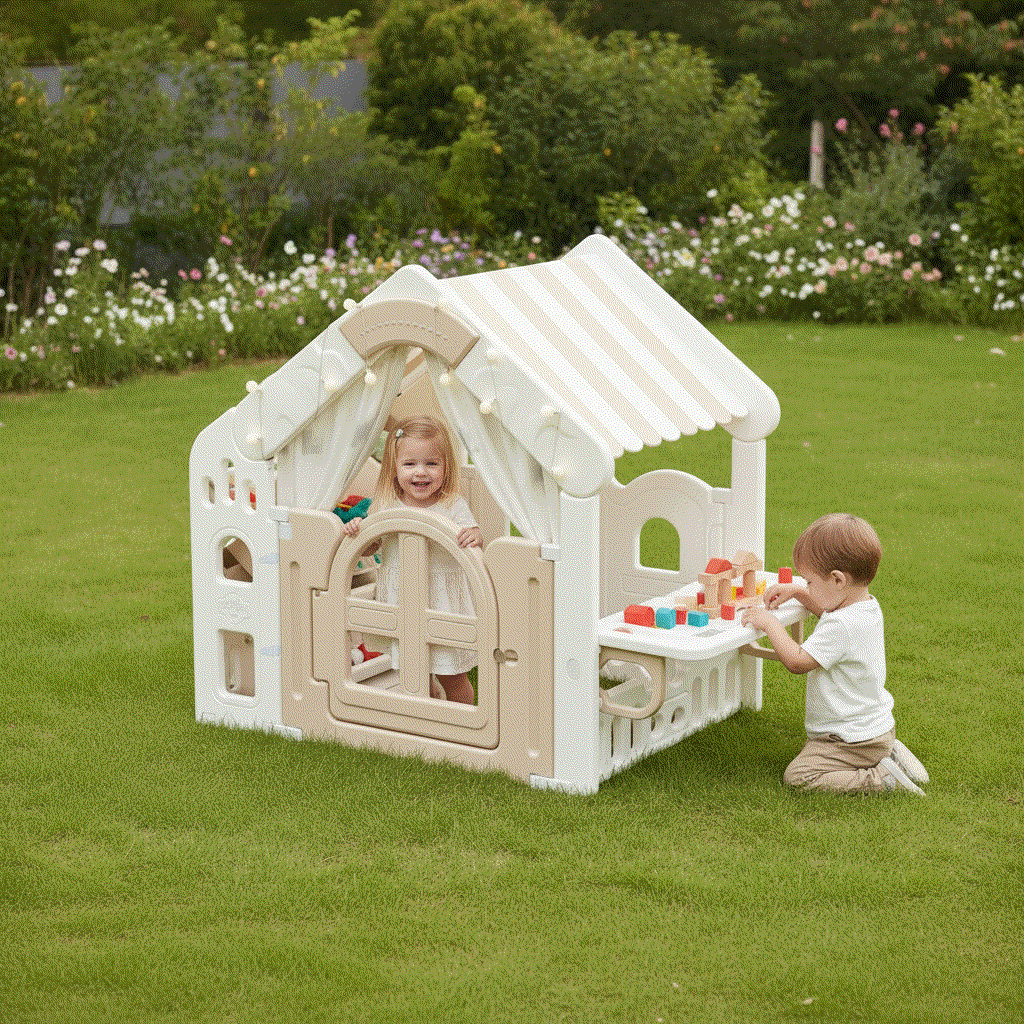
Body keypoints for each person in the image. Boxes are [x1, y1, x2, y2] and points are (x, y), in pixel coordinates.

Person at [741, 513, 929, 795]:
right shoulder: (865, 607)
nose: (807, 587)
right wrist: (799, 593)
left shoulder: (842, 624)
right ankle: (887, 752)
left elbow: (797, 661)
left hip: (848, 741)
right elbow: (828, 617)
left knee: (799, 776)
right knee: (823, 760)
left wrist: (770, 623)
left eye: (809, 582)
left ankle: (880, 778)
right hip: (876, 729)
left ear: (838, 580)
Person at [341, 415, 482, 704]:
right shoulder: (386, 505)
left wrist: (474, 535)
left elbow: (474, 534)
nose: (421, 473)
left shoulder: (452, 504)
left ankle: (461, 723)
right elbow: (370, 547)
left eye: (431, 464)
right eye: (409, 464)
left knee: (452, 675)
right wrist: (358, 531)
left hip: (442, 603)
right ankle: (427, 720)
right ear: (395, 468)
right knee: (416, 673)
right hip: (402, 602)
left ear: (446, 467)